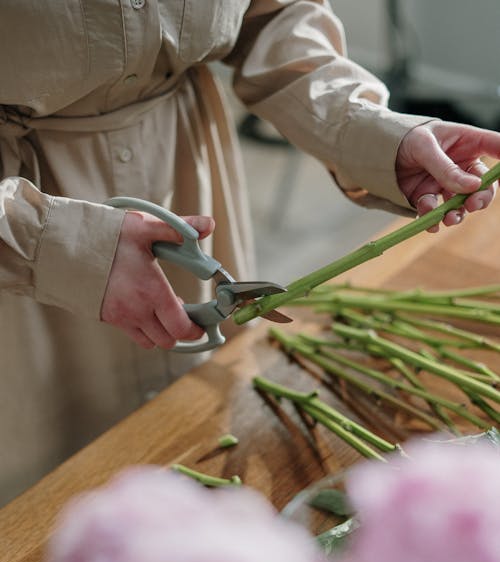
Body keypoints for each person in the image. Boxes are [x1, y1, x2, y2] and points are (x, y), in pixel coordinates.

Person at [2, 0, 500, 504]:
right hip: (16, 240)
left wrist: (372, 130)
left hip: (184, 166)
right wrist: (54, 244)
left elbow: (275, 17)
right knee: (40, 497)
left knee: (196, 428)